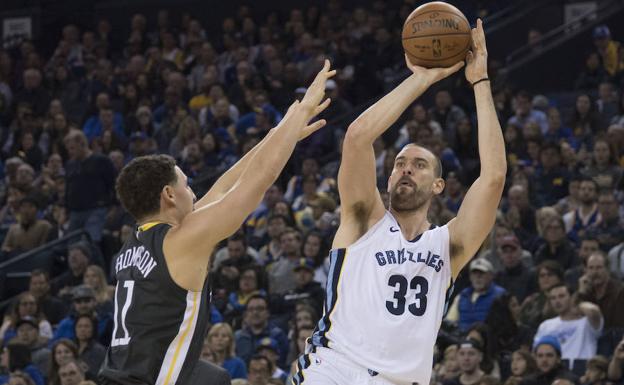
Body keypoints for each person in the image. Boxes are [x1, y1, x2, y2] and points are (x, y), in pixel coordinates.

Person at [294, 20, 507, 385]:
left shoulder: (448, 246)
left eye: (419, 165)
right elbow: (358, 138)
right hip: (334, 369)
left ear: (439, 185)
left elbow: (493, 178)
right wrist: (421, 80)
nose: (406, 170)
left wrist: (480, 83)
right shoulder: (364, 220)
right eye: (399, 164)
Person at [98, 61, 335, 385]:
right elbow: (257, 180)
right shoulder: (180, 241)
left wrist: (281, 136)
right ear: (169, 194)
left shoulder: (137, 242)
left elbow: (224, 185)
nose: (193, 191)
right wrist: (301, 109)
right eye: (186, 184)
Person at [533, 284, 603, 367]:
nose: (557, 301)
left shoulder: (587, 322)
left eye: (561, 296)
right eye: (553, 298)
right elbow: (536, 352)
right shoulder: (545, 325)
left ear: (572, 297)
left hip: (581, 370)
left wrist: (577, 306)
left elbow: (593, 310)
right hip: (554, 371)